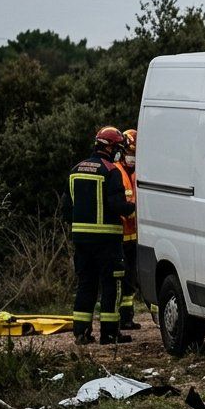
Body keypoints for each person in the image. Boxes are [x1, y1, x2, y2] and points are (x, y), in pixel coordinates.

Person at [67, 127, 134, 344]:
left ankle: (81, 332)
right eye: (118, 148)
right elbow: (116, 205)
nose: (119, 153)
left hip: (81, 240)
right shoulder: (110, 170)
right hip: (107, 241)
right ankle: (110, 333)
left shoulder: (75, 170)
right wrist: (132, 207)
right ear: (110, 146)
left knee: (86, 284)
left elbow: (67, 209)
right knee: (111, 285)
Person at [116, 128, 142, 331]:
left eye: (135, 153)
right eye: (130, 152)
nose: (132, 157)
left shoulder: (138, 173)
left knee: (131, 280)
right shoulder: (116, 171)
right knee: (118, 279)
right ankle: (114, 318)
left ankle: (127, 317)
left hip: (135, 237)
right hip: (119, 236)